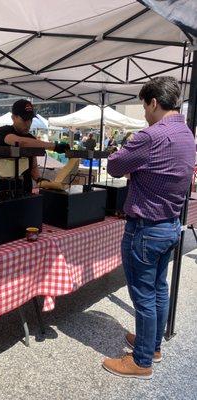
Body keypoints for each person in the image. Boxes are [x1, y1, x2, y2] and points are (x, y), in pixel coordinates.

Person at [103, 76, 195, 379]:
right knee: (158, 290)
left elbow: (114, 166)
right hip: (170, 225)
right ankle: (152, 345)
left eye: (144, 106)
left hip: (145, 227)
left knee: (143, 295)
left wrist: (126, 146)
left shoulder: (150, 136)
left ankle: (141, 361)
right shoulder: (186, 134)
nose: (144, 113)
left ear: (153, 102)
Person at [0, 99, 70, 193]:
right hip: (5, 190)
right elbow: (20, 142)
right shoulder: (3, 131)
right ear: (13, 117)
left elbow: (33, 165)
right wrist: (54, 146)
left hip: (26, 189)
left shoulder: (31, 138)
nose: (28, 123)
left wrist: (38, 179)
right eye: (24, 119)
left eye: (30, 119)